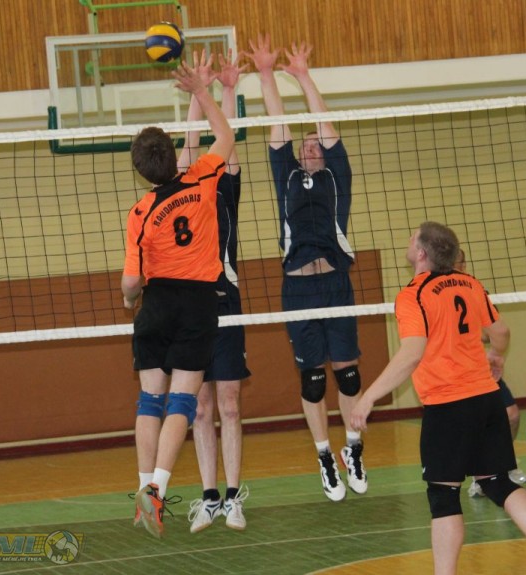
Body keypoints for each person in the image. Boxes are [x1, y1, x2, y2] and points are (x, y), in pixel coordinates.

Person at [350, 222, 526, 575]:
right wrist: (497, 355)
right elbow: (501, 331)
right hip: (487, 400)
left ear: (421, 253)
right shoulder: (470, 284)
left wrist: (368, 397)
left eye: (412, 237)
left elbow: (411, 354)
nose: (408, 241)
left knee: (443, 496)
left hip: (449, 406)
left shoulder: (413, 295)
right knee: (499, 483)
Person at [244, 34, 367, 501]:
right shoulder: (288, 177)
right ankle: (324, 456)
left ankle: (353, 448)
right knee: (314, 380)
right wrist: (266, 73)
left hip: (336, 282)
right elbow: (277, 123)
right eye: (307, 144)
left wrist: (303, 76)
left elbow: (326, 124)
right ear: (298, 154)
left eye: (317, 143)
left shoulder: (338, 177)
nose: (312, 146)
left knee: (348, 374)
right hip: (297, 289)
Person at [122, 57, 235, 539]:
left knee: (150, 399)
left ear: (141, 171)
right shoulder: (203, 178)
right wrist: (202, 92)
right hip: (197, 304)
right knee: (182, 405)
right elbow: (225, 136)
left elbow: (131, 282)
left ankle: (143, 487)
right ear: (174, 156)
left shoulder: (140, 212)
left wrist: (129, 301)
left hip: (156, 304)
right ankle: (157, 490)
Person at [174, 50, 251, 534]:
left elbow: (229, 138)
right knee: (199, 407)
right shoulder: (183, 189)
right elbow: (188, 147)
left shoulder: (226, 188)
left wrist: (224, 89)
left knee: (230, 405)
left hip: (228, 304)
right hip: (190, 309)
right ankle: (208, 497)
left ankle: (234, 497)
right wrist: (194, 95)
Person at [454, 248, 526, 496]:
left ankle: (506, 464)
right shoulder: (432, 292)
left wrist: (483, 340)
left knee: (512, 415)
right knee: (473, 424)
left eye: (460, 262)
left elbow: (492, 332)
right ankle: (481, 476)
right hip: (453, 373)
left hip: (481, 369)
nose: (457, 266)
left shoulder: (475, 290)